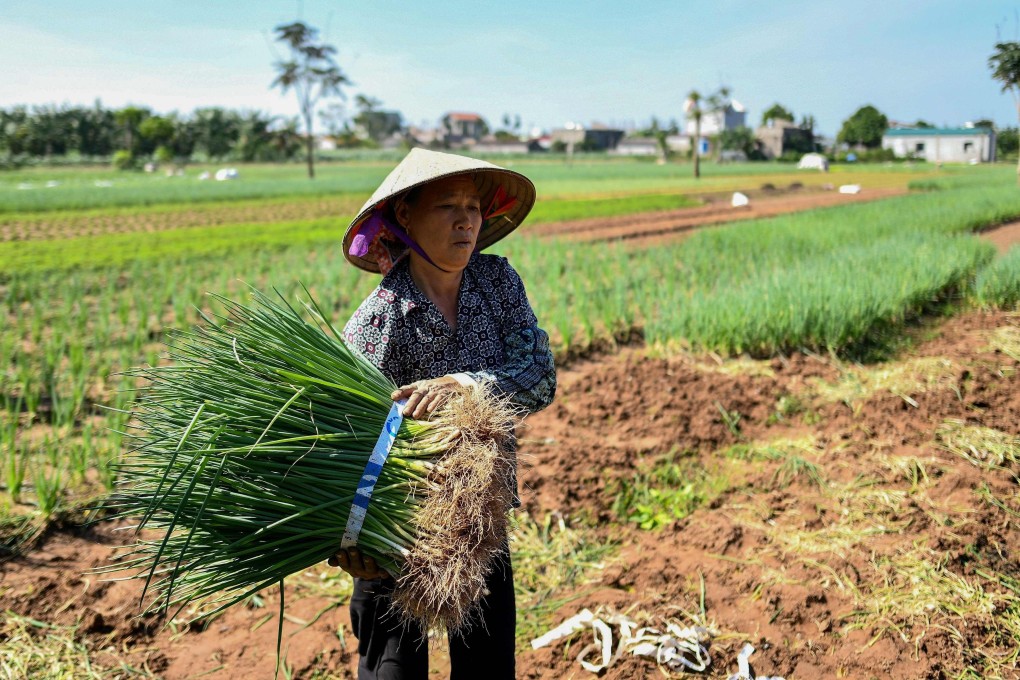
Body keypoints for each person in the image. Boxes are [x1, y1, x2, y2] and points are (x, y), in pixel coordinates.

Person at [330, 148, 556, 679]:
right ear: (404, 216)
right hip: (394, 534)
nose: (465, 221)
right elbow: (339, 441)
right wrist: (346, 542)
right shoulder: (378, 322)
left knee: (487, 672)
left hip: (479, 525)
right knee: (392, 675)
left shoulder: (498, 285)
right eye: (447, 207)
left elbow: (540, 376)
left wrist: (467, 384)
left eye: (474, 207)